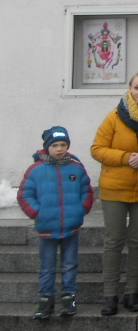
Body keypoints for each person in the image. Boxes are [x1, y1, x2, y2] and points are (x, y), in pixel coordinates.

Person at [90, 71, 138, 317]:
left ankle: (132, 292)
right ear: (130, 89)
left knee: (137, 242)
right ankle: (110, 294)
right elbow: (97, 149)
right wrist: (124, 157)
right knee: (113, 242)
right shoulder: (114, 117)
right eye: (137, 87)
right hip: (114, 188)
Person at [18, 126, 93, 320]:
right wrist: (38, 213)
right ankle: (46, 298)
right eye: (55, 145)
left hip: (71, 226)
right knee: (47, 265)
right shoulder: (35, 170)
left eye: (63, 145)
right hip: (47, 227)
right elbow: (25, 194)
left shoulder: (76, 167)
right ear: (47, 147)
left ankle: (69, 297)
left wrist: (80, 209)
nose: (60, 149)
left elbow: (86, 190)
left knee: (69, 264)